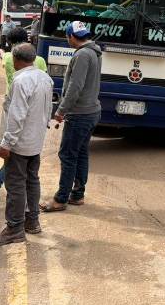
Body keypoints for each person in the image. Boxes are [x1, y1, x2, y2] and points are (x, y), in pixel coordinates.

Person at [0, 44, 53, 246]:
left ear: (16, 59)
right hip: (35, 141)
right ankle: (32, 221)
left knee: (15, 185)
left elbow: (17, 116)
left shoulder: (21, 80)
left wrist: (7, 143)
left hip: (20, 143)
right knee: (32, 181)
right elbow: (47, 110)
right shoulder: (45, 78)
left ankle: (14, 228)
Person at [40, 21, 102, 212]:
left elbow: (76, 86)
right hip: (91, 111)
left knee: (67, 155)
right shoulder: (94, 51)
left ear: (71, 37)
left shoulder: (83, 54)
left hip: (80, 114)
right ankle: (77, 194)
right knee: (81, 153)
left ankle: (61, 199)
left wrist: (61, 110)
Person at [0, 27, 48, 205]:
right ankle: (26, 207)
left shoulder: (10, 57)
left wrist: (1, 51)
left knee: (13, 151)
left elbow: (2, 56)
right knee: (26, 158)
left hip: (12, 105)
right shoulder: (39, 61)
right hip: (36, 110)